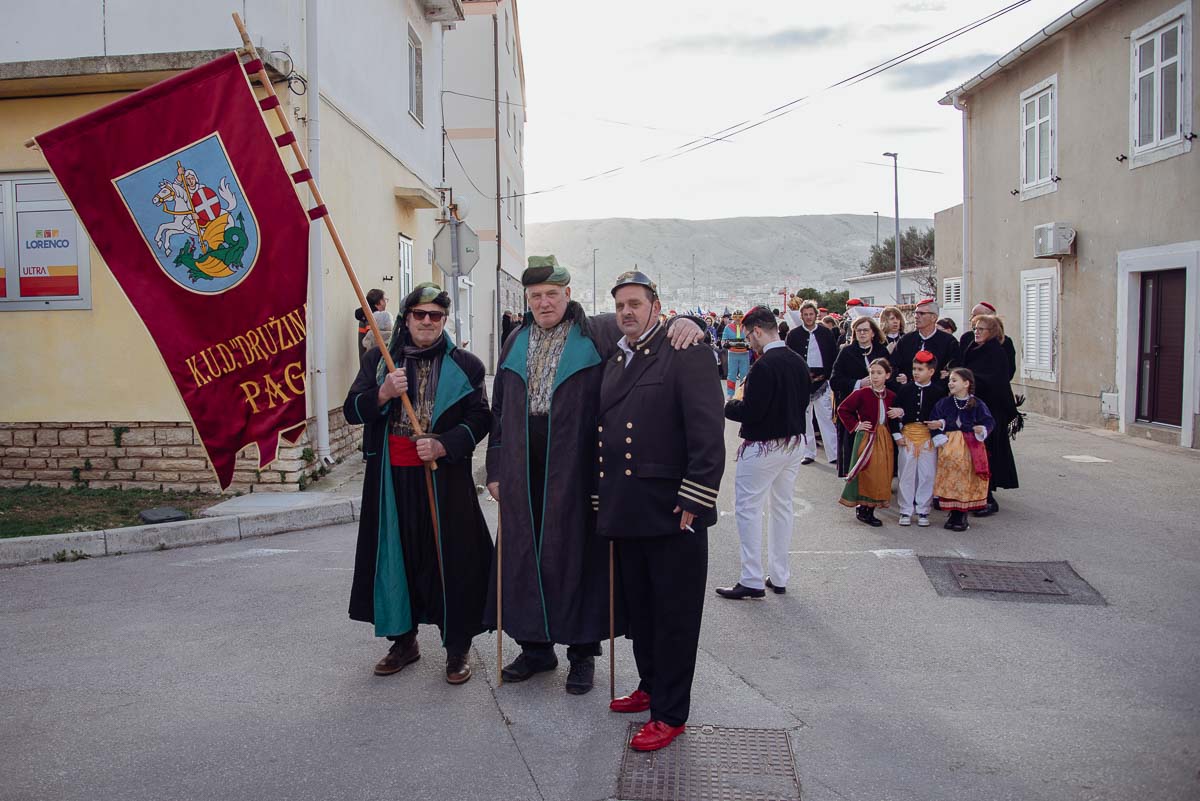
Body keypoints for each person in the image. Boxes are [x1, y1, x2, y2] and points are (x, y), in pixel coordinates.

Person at [485, 260, 703, 695]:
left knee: (578, 558)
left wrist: (688, 323)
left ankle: (581, 653)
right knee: (525, 557)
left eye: (552, 294)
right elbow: (499, 411)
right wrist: (494, 468)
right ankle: (535, 647)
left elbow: (646, 330)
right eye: (535, 296)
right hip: (522, 466)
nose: (544, 303)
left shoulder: (598, 332)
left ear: (567, 294)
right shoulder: (514, 340)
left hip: (578, 467)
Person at [598, 271, 725, 753]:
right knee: (643, 612)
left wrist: (696, 496)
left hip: (674, 512)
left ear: (656, 306)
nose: (626, 312)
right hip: (629, 509)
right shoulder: (617, 357)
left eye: (635, 303)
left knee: (675, 617)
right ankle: (650, 685)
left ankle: (670, 713)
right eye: (620, 305)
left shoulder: (685, 351)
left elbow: (708, 430)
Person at [343, 282, 493, 685]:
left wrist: (445, 444)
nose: (427, 321)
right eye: (420, 314)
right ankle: (403, 641)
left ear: (444, 320)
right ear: (407, 318)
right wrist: (382, 393)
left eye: (435, 316)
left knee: (451, 561)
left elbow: (481, 417)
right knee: (399, 558)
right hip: (391, 479)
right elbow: (352, 410)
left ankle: (457, 647)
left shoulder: (466, 365)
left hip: (444, 478)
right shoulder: (380, 360)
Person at [715, 306, 810, 602]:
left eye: (748, 336)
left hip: (763, 446)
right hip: (793, 442)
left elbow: (751, 412)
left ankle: (751, 578)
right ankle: (779, 575)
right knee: (782, 508)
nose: (749, 342)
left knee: (748, 509)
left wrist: (730, 405)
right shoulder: (797, 360)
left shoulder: (763, 366)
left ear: (757, 330)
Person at [961, 314, 1019, 516]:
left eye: (981, 329)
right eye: (975, 328)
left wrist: (967, 379)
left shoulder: (995, 352)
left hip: (990, 412)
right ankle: (975, 495)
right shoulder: (974, 348)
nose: (976, 332)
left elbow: (996, 381)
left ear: (992, 332)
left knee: (986, 455)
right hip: (973, 409)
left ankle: (988, 499)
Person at [929, 367, 995, 531]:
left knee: (964, 479)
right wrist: (939, 428)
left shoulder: (977, 404)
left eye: (954, 380)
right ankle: (953, 512)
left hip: (969, 447)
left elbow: (989, 421)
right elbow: (935, 418)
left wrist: (982, 429)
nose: (950, 383)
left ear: (966, 383)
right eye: (949, 380)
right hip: (949, 446)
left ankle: (961, 514)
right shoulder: (944, 403)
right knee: (950, 478)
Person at [888, 350, 946, 527]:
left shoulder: (938, 392)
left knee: (927, 474)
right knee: (906, 474)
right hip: (908, 437)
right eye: (914, 369)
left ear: (931, 371)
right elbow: (893, 413)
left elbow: (944, 414)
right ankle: (905, 510)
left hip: (928, 438)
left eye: (920, 369)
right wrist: (897, 434)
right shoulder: (905, 390)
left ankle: (923, 509)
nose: (916, 372)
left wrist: (939, 424)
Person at [836, 358, 897, 526]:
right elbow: (843, 409)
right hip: (866, 437)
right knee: (867, 471)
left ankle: (871, 507)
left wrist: (900, 412)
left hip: (884, 438)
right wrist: (856, 425)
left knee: (881, 473)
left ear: (887, 375)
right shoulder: (862, 393)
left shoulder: (891, 396)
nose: (875, 376)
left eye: (879, 373)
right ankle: (863, 508)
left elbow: (896, 414)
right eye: (872, 373)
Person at [829, 316, 889, 477]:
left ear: (873, 333)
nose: (862, 333)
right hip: (854, 408)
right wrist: (858, 383)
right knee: (853, 447)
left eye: (865, 330)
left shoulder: (881, 351)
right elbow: (835, 380)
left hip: (877, 407)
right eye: (859, 330)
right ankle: (853, 477)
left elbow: (891, 374)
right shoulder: (846, 352)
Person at [785, 300, 838, 466]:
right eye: (805, 314)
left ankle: (834, 453)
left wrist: (829, 376)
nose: (808, 317)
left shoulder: (825, 333)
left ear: (816, 315)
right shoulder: (793, 335)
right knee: (805, 419)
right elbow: (789, 358)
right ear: (801, 316)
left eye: (811, 314)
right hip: (802, 381)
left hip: (822, 380)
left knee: (826, 417)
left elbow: (833, 355)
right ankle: (809, 453)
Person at [892, 298, 960, 387]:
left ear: (934, 317)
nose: (916, 316)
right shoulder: (906, 340)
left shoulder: (949, 342)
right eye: (915, 313)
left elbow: (954, 369)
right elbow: (893, 365)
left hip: (937, 392)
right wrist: (901, 377)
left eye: (921, 313)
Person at [959, 302, 1016, 379]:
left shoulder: (1003, 343)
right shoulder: (967, 338)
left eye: (975, 316)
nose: (971, 319)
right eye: (976, 329)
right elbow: (961, 364)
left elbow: (1008, 371)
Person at [721, 310, 750, 398]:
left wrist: (749, 344)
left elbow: (750, 338)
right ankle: (730, 394)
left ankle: (743, 393)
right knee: (731, 375)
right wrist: (725, 344)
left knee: (744, 374)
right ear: (733, 318)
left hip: (744, 353)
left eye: (740, 317)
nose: (737, 319)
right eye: (735, 317)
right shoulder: (728, 327)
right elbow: (723, 340)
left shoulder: (746, 327)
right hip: (732, 354)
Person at [356, 288, 391, 359]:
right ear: (380, 302)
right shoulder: (373, 319)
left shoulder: (365, 317)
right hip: (372, 360)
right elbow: (373, 341)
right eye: (385, 299)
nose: (386, 302)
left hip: (366, 359)